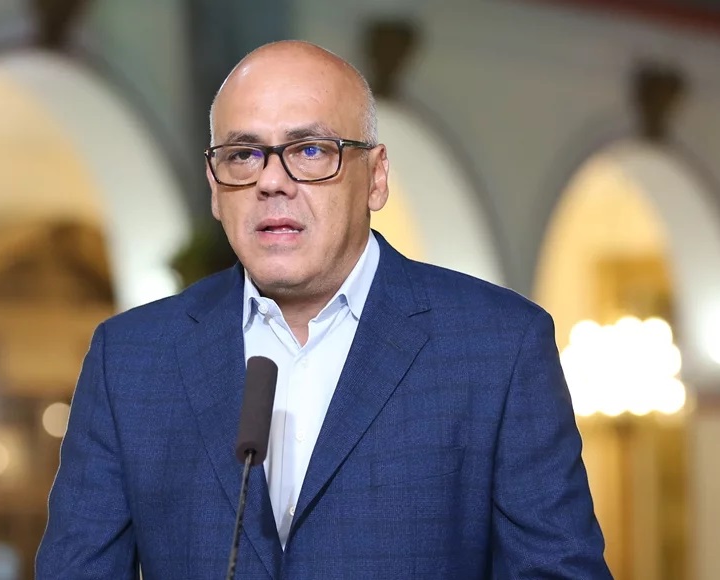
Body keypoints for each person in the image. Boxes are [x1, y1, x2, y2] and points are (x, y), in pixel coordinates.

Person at [36, 40, 610, 579]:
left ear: (376, 177)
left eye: (310, 151)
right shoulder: (130, 359)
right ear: (214, 185)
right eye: (243, 154)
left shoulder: (497, 346)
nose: (271, 182)